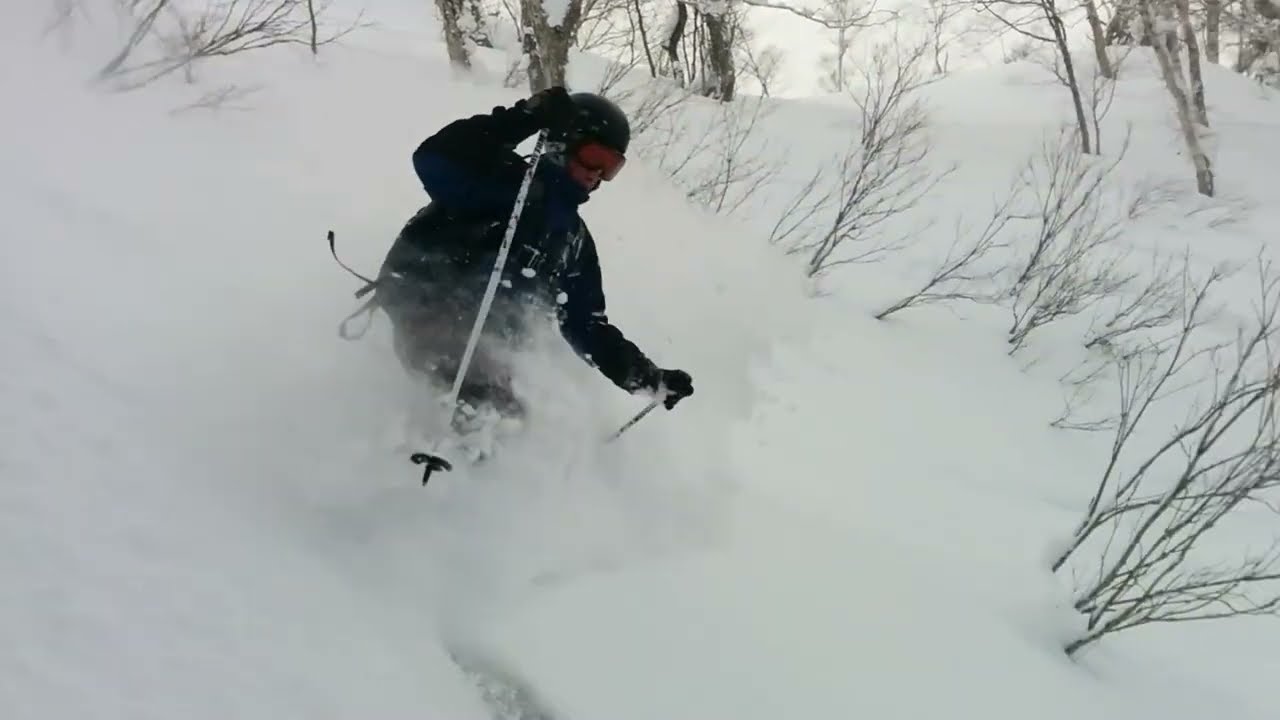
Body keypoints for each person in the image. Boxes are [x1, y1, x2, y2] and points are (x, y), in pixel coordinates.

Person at [374, 86, 694, 431]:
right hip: (429, 309)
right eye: (594, 158)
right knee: (484, 409)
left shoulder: (572, 240)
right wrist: (525, 117)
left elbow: (587, 325)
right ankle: (433, 463)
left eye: (610, 167)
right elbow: (433, 159)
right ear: (562, 144)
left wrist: (647, 378)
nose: (597, 174)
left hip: (490, 348)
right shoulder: (502, 182)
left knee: (516, 423)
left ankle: (478, 475)